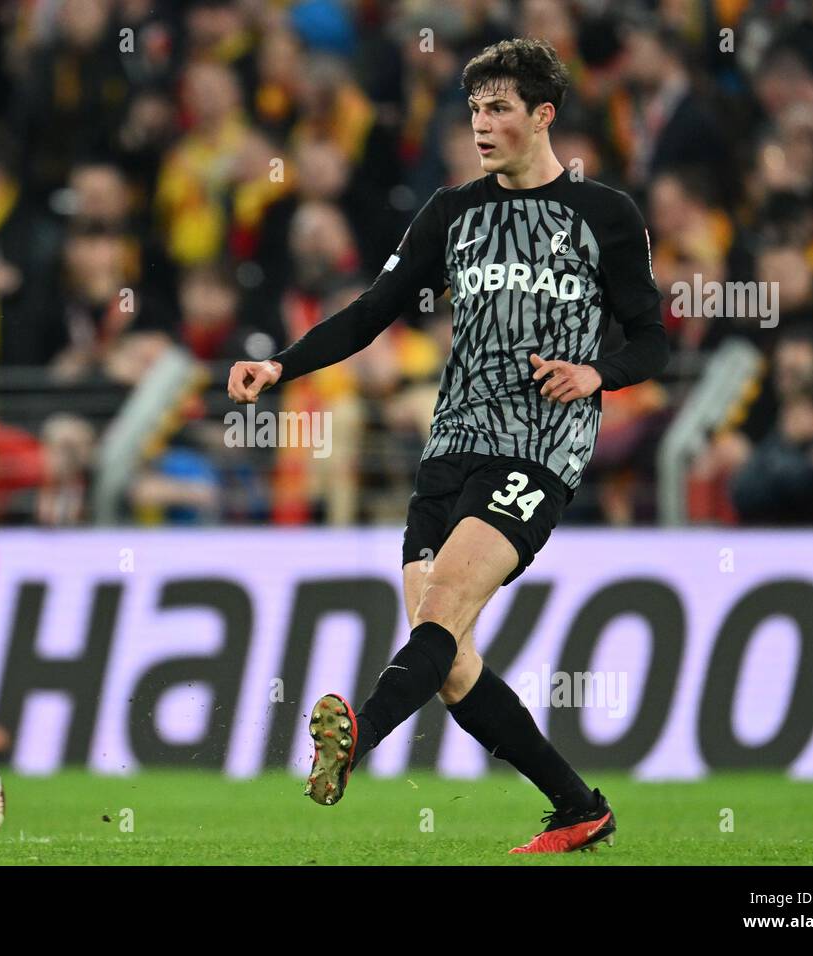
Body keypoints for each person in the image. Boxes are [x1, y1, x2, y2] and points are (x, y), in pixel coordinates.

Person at [227, 38, 669, 853]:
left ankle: (358, 732)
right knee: (452, 659)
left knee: (440, 610)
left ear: (544, 116)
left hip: (538, 448)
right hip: (451, 444)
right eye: (473, 110)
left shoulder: (605, 214)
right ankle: (578, 807)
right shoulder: (452, 211)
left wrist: (594, 373)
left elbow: (653, 342)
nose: (481, 124)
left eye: (499, 108)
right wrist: (278, 365)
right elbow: (372, 312)